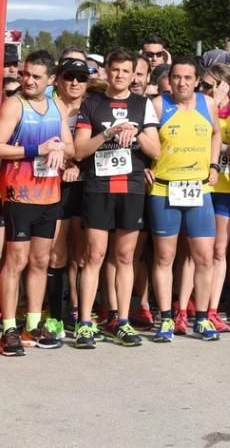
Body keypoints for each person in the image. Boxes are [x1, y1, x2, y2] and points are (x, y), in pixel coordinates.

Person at [73, 49, 160, 349]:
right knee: (94, 256)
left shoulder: (143, 104)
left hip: (132, 187)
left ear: (134, 73)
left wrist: (135, 135)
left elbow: (156, 151)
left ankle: (122, 321)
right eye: (115, 70)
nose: (120, 75)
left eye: (127, 71)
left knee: (125, 257)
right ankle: (85, 323)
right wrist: (108, 132)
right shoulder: (92, 103)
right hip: (98, 187)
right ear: (107, 71)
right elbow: (80, 150)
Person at [0, 51, 74, 355]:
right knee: (15, 261)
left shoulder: (57, 105)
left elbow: (70, 146)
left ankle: (32, 323)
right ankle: (8, 328)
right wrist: (37, 149)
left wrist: (59, 149)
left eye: (35, 76)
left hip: (49, 196)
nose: (28, 80)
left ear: (51, 80)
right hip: (19, 195)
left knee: (41, 261)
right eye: (25, 74)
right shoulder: (15, 104)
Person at [147, 58, 222, 343]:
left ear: (196, 80)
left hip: (199, 190)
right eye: (177, 77)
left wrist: (214, 165)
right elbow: (145, 139)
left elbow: (216, 134)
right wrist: (144, 165)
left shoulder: (208, 104)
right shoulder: (157, 105)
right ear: (170, 79)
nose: (182, 83)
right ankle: (166, 318)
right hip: (164, 190)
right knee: (165, 257)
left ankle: (201, 318)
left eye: (188, 78)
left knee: (204, 257)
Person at [201, 65, 230, 331]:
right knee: (198, 252)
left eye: (208, 85)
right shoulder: (199, 108)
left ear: (225, 86)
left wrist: (225, 149)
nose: (202, 90)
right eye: (202, 85)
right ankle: (195, 305)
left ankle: (213, 308)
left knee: (218, 250)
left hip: (228, 189)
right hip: (202, 187)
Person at [50, 58, 89, 339]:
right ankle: (54, 312)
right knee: (56, 254)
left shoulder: (94, 105)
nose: (74, 82)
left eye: (80, 77)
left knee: (81, 255)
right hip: (53, 185)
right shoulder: (48, 105)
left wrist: (78, 163)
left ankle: (78, 309)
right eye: (69, 76)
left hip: (87, 185)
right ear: (58, 79)